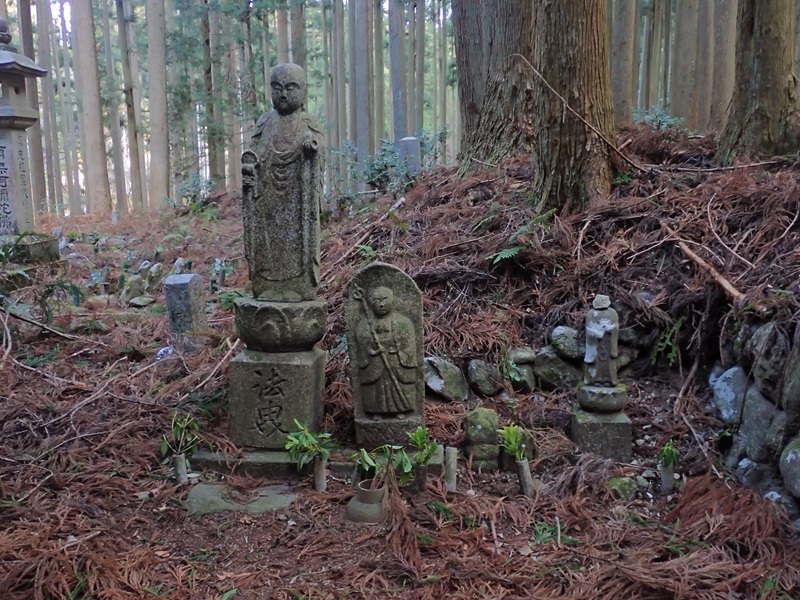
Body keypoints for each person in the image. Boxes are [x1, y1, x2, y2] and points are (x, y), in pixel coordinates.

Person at [242, 63, 324, 302]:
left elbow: (319, 150)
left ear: (303, 91)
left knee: (295, 241)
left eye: (290, 88)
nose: (283, 94)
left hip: (297, 197)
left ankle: (298, 286)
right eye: (277, 88)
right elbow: (253, 154)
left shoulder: (309, 124)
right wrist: (249, 168)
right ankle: (267, 284)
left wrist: (312, 146)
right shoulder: (264, 123)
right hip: (267, 196)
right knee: (268, 240)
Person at [355, 287, 418, 418]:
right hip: (375, 363)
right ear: (371, 303)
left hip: (395, 362)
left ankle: (401, 410)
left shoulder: (403, 322)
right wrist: (372, 349)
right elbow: (362, 342)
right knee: (375, 388)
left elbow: (409, 344)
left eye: (384, 299)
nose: (381, 304)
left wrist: (397, 350)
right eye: (377, 300)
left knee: (397, 386)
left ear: (393, 301)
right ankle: (375, 412)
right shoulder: (365, 324)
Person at [584, 294, 620, 386]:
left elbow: (616, 327)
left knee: (608, 363)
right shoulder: (591, 314)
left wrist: (611, 328)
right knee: (596, 363)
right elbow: (588, 329)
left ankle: (609, 380)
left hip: (608, 342)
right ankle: (595, 380)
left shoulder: (612, 313)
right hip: (596, 344)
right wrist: (597, 333)